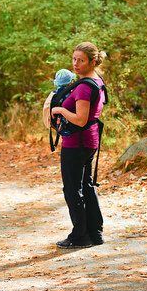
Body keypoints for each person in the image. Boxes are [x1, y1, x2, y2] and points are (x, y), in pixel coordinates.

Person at [49, 42, 106, 249]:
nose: (75, 64)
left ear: (92, 61)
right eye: (74, 59)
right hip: (89, 141)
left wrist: (60, 110)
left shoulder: (83, 86)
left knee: (73, 189)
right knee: (86, 186)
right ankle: (95, 233)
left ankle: (79, 235)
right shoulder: (97, 81)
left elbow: (80, 119)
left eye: (81, 60)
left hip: (77, 143)